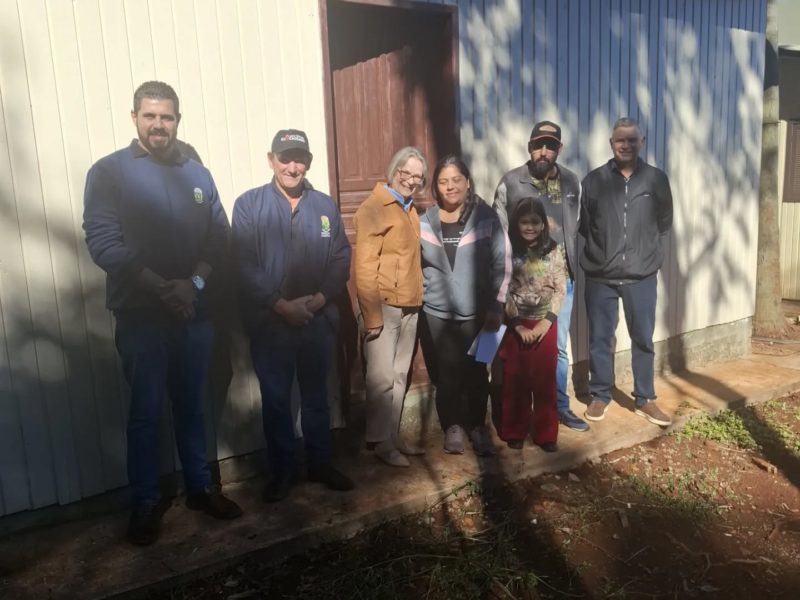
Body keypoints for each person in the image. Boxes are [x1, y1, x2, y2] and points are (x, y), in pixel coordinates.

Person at [83, 81, 242, 546]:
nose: (158, 124)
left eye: (166, 116)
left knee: (193, 405)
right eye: (150, 115)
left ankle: (200, 489)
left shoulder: (199, 175)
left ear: (177, 120)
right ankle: (146, 502)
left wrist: (192, 285)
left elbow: (219, 238)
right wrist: (162, 288)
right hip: (141, 316)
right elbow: (103, 242)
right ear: (134, 117)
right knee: (146, 412)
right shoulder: (109, 172)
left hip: (194, 312)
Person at [231, 129, 354, 502]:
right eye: (285, 158)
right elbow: (243, 263)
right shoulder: (248, 205)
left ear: (309, 163)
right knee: (276, 400)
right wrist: (281, 305)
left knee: (317, 398)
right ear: (271, 160)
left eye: (299, 158)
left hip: (316, 322)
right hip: (271, 324)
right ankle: (283, 471)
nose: (292, 166)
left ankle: (319, 463)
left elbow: (340, 257)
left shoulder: (325, 206)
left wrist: (318, 301)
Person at [493, 121, 588, 433]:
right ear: (529, 147)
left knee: (557, 348)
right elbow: (497, 232)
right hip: (519, 284)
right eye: (538, 145)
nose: (543, 151)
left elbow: (578, 225)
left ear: (559, 148)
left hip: (560, 282)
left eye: (550, 145)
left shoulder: (571, 182)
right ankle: (517, 416)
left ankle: (557, 408)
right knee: (517, 351)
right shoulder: (511, 182)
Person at [580, 117, 674, 426]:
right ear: (611, 144)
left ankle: (645, 398)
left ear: (641, 142)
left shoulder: (656, 180)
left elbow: (664, 222)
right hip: (600, 277)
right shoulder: (593, 181)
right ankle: (600, 394)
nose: (626, 145)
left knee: (643, 339)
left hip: (641, 276)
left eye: (632, 140)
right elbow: (586, 225)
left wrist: (648, 255)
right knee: (600, 339)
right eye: (620, 140)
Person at [419, 155, 509, 456]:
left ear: (468, 182)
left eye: (456, 179)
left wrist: (497, 306)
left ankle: (478, 426)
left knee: (477, 371)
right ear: (435, 187)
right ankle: (453, 426)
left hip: (480, 313)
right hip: (437, 313)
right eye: (443, 181)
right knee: (446, 373)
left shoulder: (486, 217)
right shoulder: (424, 221)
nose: (450, 186)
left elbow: (503, 262)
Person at [354, 147, 428, 467]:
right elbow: (364, 267)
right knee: (381, 377)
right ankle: (380, 442)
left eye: (417, 176)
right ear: (393, 170)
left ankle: (392, 436)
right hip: (384, 306)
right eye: (405, 172)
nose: (410, 180)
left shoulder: (409, 209)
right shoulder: (374, 208)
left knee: (399, 374)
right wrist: (371, 316)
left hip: (410, 304)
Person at [494, 198, 565, 452]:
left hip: (545, 324)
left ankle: (546, 434)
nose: (530, 227)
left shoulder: (553, 250)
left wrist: (547, 322)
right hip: (518, 325)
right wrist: (517, 324)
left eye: (535, 222)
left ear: (543, 224)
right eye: (524, 222)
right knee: (516, 379)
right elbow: (504, 289)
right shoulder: (508, 250)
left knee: (544, 380)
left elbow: (560, 288)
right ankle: (515, 431)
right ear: (516, 223)